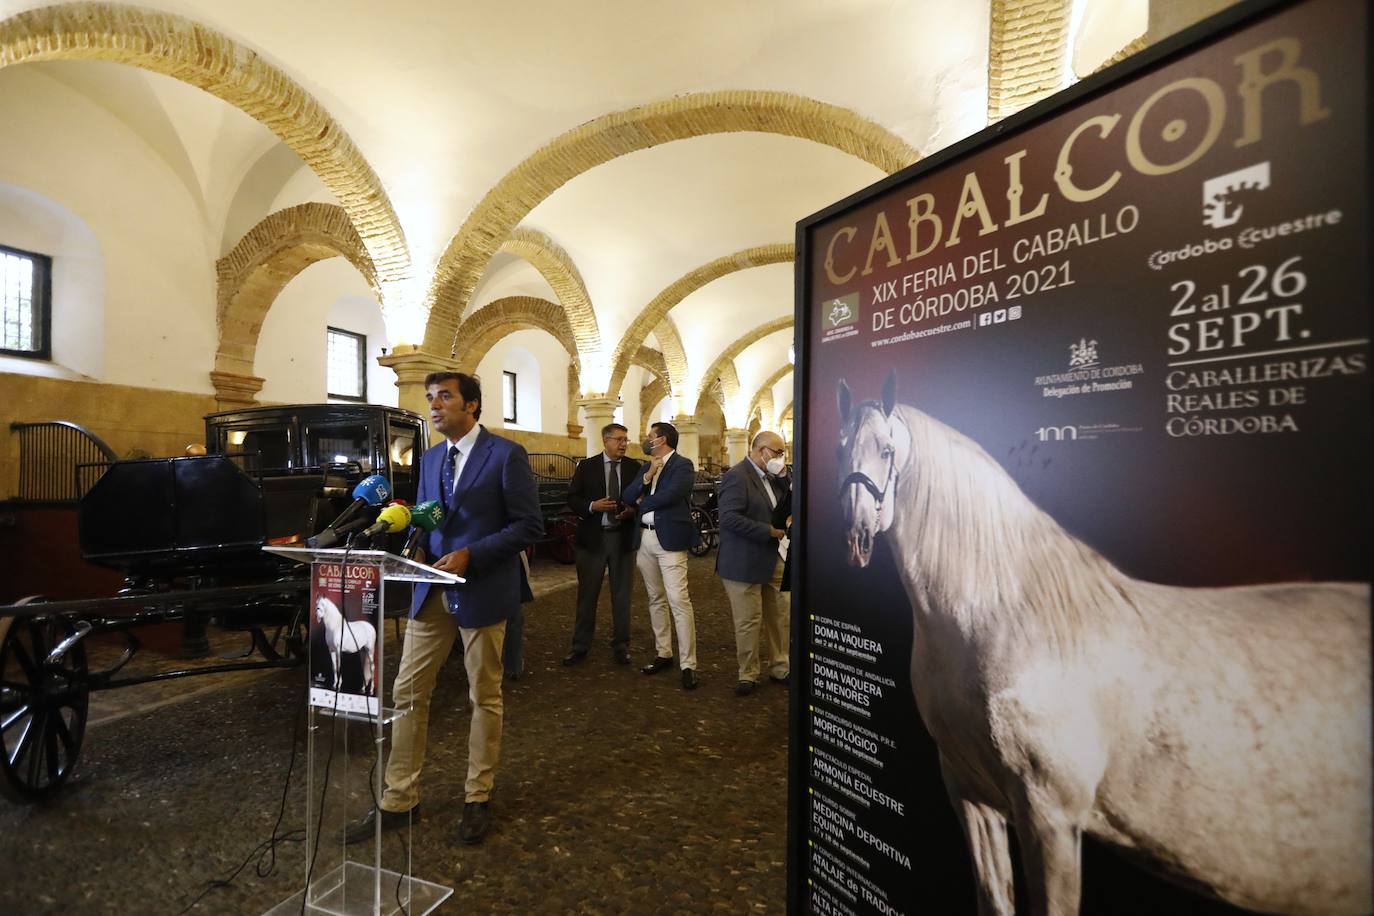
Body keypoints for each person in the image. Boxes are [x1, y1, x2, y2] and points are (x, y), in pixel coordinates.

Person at [346, 371, 542, 846]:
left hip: (482, 588)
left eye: (445, 397)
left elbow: (529, 526)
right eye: (430, 398)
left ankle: (478, 795)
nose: (434, 406)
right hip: (430, 589)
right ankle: (398, 799)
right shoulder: (431, 458)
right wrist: (415, 547)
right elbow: (428, 517)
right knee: (407, 691)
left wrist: (473, 554)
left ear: (472, 405)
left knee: (484, 694)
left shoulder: (505, 455)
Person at [622, 421, 701, 690]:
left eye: (650, 437)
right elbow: (627, 495)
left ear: (662, 439)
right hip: (645, 538)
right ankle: (663, 652)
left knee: (679, 600)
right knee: (655, 598)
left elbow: (672, 495)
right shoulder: (646, 466)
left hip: (670, 539)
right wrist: (646, 478)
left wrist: (644, 502)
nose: (646, 440)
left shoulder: (683, 465)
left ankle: (688, 664)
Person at [716, 430, 791, 696]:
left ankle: (781, 666)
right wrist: (768, 531)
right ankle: (747, 672)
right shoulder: (737, 477)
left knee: (780, 615)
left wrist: (783, 477)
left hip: (775, 557)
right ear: (760, 451)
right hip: (744, 560)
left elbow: (791, 499)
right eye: (777, 452)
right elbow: (728, 518)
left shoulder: (772, 477)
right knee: (749, 619)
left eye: (783, 453)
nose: (781, 458)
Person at [563, 422, 641, 666]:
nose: (623, 444)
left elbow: (642, 498)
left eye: (625, 439)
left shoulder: (633, 467)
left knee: (622, 595)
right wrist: (592, 507)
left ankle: (621, 645)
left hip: (622, 538)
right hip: (593, 539)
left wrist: (632, 510)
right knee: (587, 595)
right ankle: (580, 645)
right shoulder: (587, 467)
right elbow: (572, 498)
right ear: (605, 440)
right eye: (618, 439)